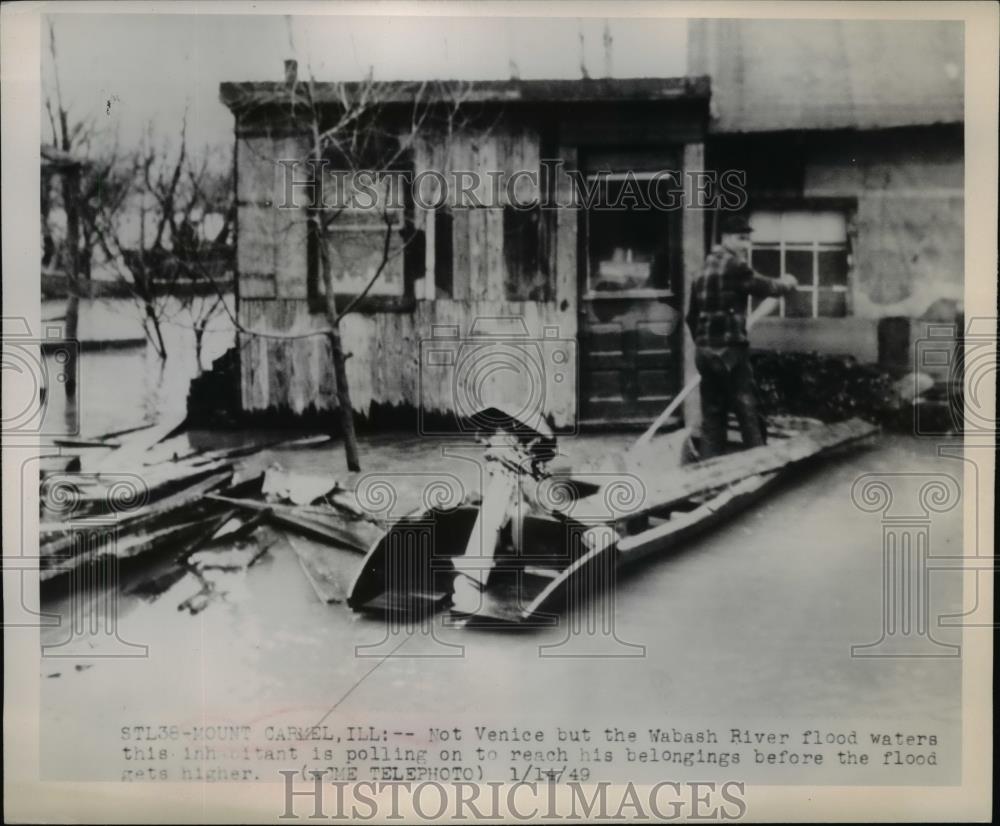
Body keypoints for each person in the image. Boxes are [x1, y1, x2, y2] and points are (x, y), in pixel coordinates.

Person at [685, 214, 797, 459]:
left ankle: (708, 473)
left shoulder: (701, 270)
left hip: (704, 353)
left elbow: (690, 317)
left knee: (713, 417)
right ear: (726, 239)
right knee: (748, 410)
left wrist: (706, 345)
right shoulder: (735, 266)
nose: (746, 245)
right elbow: (768, 288)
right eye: (741, 239)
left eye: (748, 239)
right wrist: (788, 282)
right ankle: (759, 466)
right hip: (730, 353)